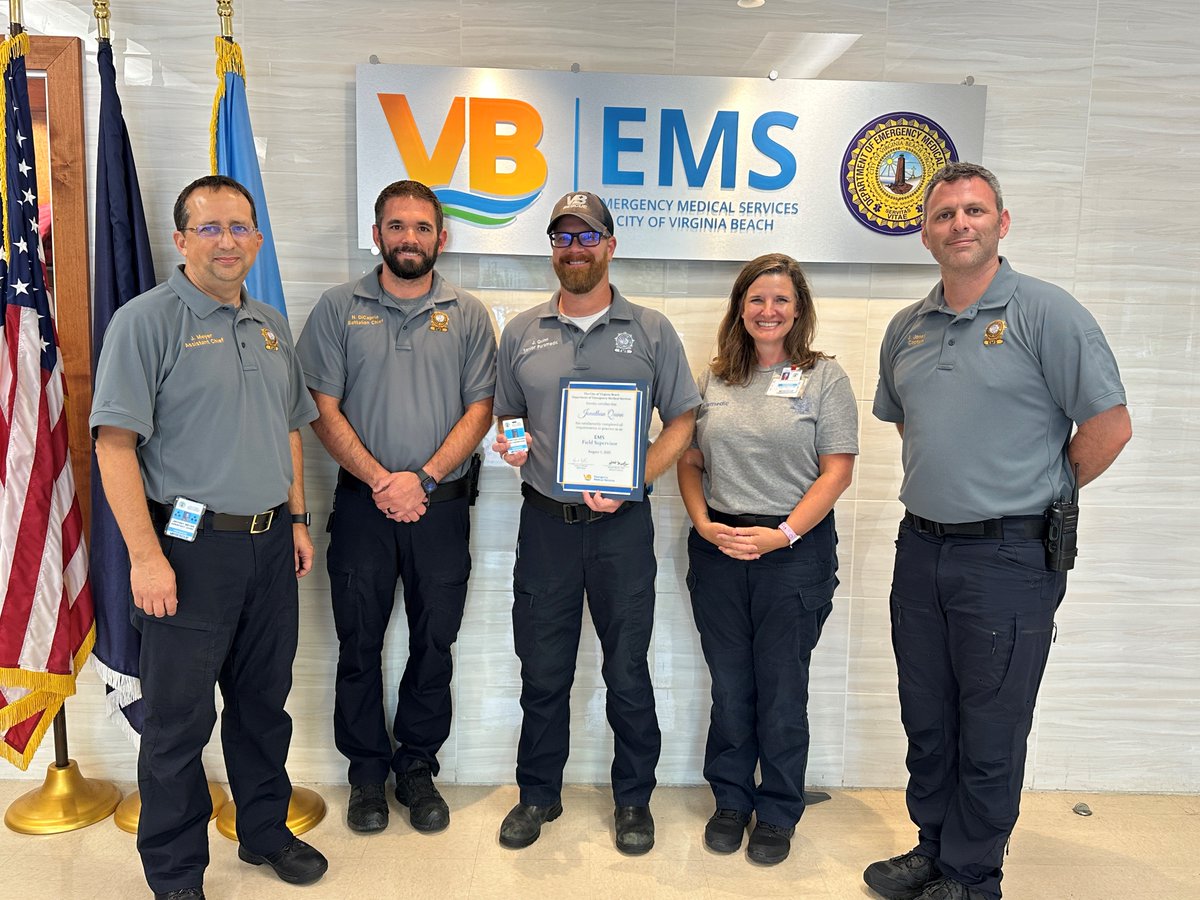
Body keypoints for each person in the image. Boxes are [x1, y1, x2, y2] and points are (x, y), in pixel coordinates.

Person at [864, 162, 1131, 900]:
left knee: (990, 725)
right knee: (928, 716)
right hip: (920, 550)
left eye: (974, 211)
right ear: (925, 232)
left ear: (1001, 223)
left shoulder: (1049, 313)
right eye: (945, 214)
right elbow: (914, 428)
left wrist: (1040, 491)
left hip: (1010, 557)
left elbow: (1110, 427)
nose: (960, 224)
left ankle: (973, 876)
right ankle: (933, 847)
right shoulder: (907, 329)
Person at [90, 175, 327, 899]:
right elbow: (114, 445)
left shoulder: (270, 323)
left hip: (266, 548)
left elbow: (287, 428)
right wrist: (146, 557)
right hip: (186, 552)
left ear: (257, 239)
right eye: (211, 227)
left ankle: (262, 833)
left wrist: (294, 517)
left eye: (240, 227)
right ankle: (174, 871)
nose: (228, 240)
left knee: (263, 707)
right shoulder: (145, 321)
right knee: (178, 724)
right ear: (181, 238)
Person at [490, 191, 700, 854]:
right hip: (546, 525)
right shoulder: (522, 330)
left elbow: (685, 421)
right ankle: (537, 794)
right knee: (543, 668)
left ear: (610, 246)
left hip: (621, 530)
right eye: (562, 238)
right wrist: (512, 442)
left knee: (627, 669)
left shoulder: (654, 330)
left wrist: (635, 476)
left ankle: (633, 799)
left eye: (587, 238)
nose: (574, 250)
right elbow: (508, 414)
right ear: (552, 249)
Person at [296, 180, 496, 835]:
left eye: (421, 227)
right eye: (396, 226)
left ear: (443, 237)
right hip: (361, 507)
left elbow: (480, 409)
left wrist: (425, 478)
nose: (409, 237)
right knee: (359, 645)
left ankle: (415, 768)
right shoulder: (335, 308)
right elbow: (319, 408)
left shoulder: (468, 314)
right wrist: (384, 479)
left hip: (441, 508)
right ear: (377, 233)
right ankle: (365, 778)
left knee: (434, 642)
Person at [677, 253, 858, 865]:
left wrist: (782, 534)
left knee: (782, 690)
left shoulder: (824, 378)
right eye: (756, 299)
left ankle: (778, 809)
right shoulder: (715, 378)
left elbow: (837, 471)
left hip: (793, 553)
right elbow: (691, 460)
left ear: (799, 309)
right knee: (730, 686)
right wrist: (703, 524)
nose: (768, 310)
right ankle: (731, 801)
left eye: (781, 299)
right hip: (719, 549)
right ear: (740, 308)